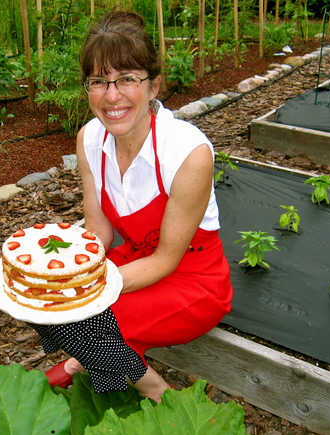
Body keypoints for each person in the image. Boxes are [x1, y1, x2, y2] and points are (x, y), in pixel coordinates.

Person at [33, 9, 233, 402]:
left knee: (84, 322)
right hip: (132, 259)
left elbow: (165, 260)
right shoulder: (90, 139)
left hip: (191, 277)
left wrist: (87, 288)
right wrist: (58, 268)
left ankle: (159, 393)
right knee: (45, 304)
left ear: (154, 86)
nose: (112, 96)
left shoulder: (187, 152)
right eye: (98, 82)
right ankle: (94, 361)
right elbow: (99, 231)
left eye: (127, 79)